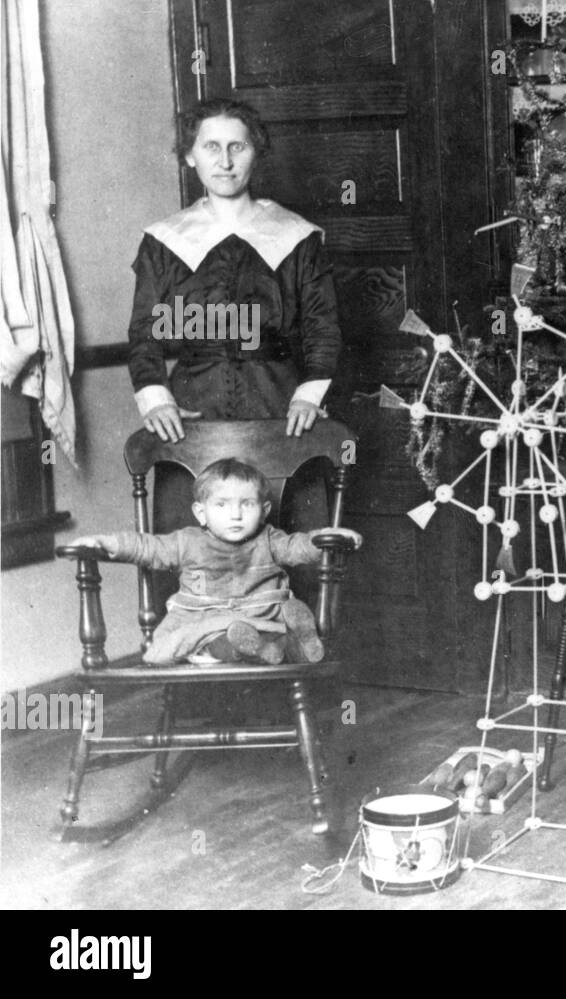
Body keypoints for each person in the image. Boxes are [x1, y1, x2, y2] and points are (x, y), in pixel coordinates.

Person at [127, 97, 341, 444]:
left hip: (281, 407)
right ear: (189, 155)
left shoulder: (298, 236)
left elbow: (323, 327)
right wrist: (156, 401)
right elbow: (144, 334)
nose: (225, 162)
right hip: (191, 411)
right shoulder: (163, 241)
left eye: (237, 147)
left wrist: (308, 396)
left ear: (255, 153)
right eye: (211, 147)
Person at [71, 458, 362, 665]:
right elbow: (147, 547)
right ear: (201, 513)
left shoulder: (270, 538)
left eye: (246, 505)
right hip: (209, 618)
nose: (235, 515)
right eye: (222, 505)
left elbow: (299, 546)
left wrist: (326, 535)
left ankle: (295, 641)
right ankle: (259, 648)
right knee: (210, 639)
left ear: (264, 511)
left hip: (262, 613)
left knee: (272, 622)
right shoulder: (187, 541)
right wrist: (106, 543)